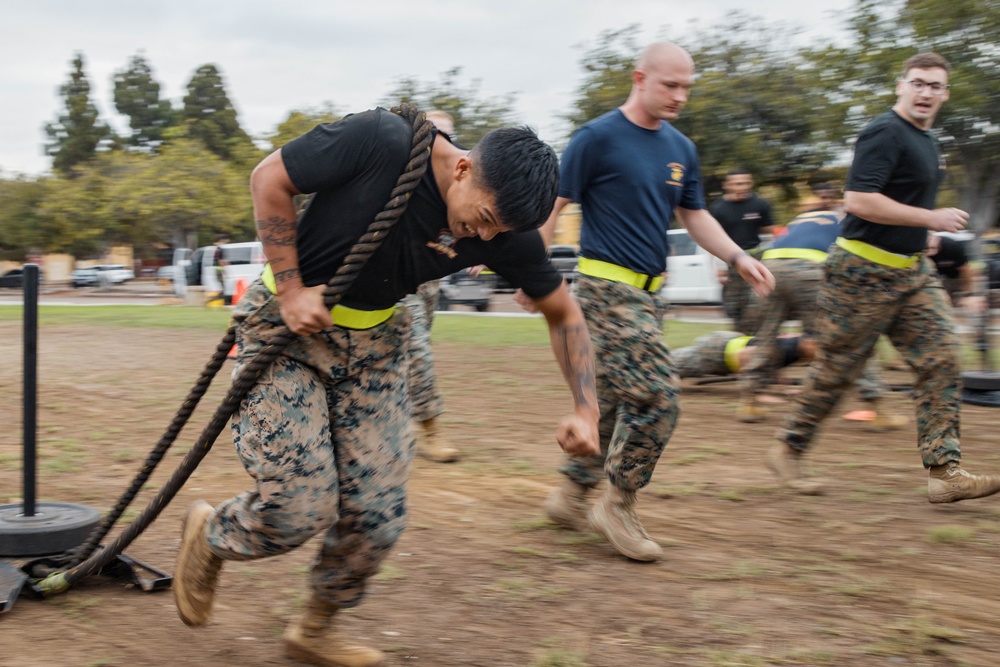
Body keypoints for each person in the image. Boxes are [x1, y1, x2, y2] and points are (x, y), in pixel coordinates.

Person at [172, 109, 600, 667]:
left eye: (502, 230)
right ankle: (211, 536)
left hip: (375, 347)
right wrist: (293, 290)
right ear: (465, 168)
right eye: (487, 217)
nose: (487, 237)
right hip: (287, 330)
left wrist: (585, 408)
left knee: (379, 512)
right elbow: (268, 178)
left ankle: (314, 626)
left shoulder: (503, 231)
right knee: (300, 505)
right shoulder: (381, 140)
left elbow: (563, 312)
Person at [538, 42, 774, 562]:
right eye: (671, 84)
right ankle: (617, 503)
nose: (681, 95)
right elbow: (552, 206)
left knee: (618, 398)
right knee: (659, 396)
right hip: (604, 289)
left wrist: (738, 256)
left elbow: (694, 215)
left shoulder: (681, 149)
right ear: (639, 78)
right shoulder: (595, 138)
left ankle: (571, 494)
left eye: (688, 86)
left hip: (649, 296)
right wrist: (533, 275)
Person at [767, 52, 1000, 503]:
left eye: (935, 85)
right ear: (901, 85)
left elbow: (899, 205)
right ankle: (787, 448)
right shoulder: (883, 132)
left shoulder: (928, 141)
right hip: (860, 274)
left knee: (943, 357)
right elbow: (858, 200)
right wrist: (930, 216)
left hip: (912, 273)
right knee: (837, 368)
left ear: (945, 94)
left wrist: (922, 231)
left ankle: (944, 470)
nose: (925, 92)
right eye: (918, 82)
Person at [737, 194, 903, 429]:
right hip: (808, 271)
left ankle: (749, 401)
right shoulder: (852, 222)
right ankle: (878, 407)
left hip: (770, 268)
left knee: (765, 336)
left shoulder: (805, 217)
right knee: (850, 338)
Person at [400, 109, 460, 463]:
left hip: (430, 282)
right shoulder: (405, 171)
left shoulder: (455, 177)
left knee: (405, 353)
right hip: (400, 279)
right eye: (437, 133)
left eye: (450, 135)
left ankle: (396, 422)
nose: (444, 141)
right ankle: (430, 430)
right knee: (418, 352)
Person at [710, 169, 774, 332]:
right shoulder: (718, 209)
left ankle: (760, 337)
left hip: (757, 257)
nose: (743, 187)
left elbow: (771, 234)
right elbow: (713, 239)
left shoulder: (760, 205)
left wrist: (770, 260)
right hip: (731, 260)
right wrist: (719, 267)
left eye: (746, 183)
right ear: (727, 185)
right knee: (735, 307)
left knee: (760, 301)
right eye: (738, 183)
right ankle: (740, 339)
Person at [672, 330, 816, 379]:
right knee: (668, 368)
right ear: (810, 343)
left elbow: (775, 364)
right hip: (718, 353)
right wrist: (754, 387)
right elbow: (742, 355)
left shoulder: (796, 346)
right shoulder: (789, 348)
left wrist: (785, 388)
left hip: (728, 344)